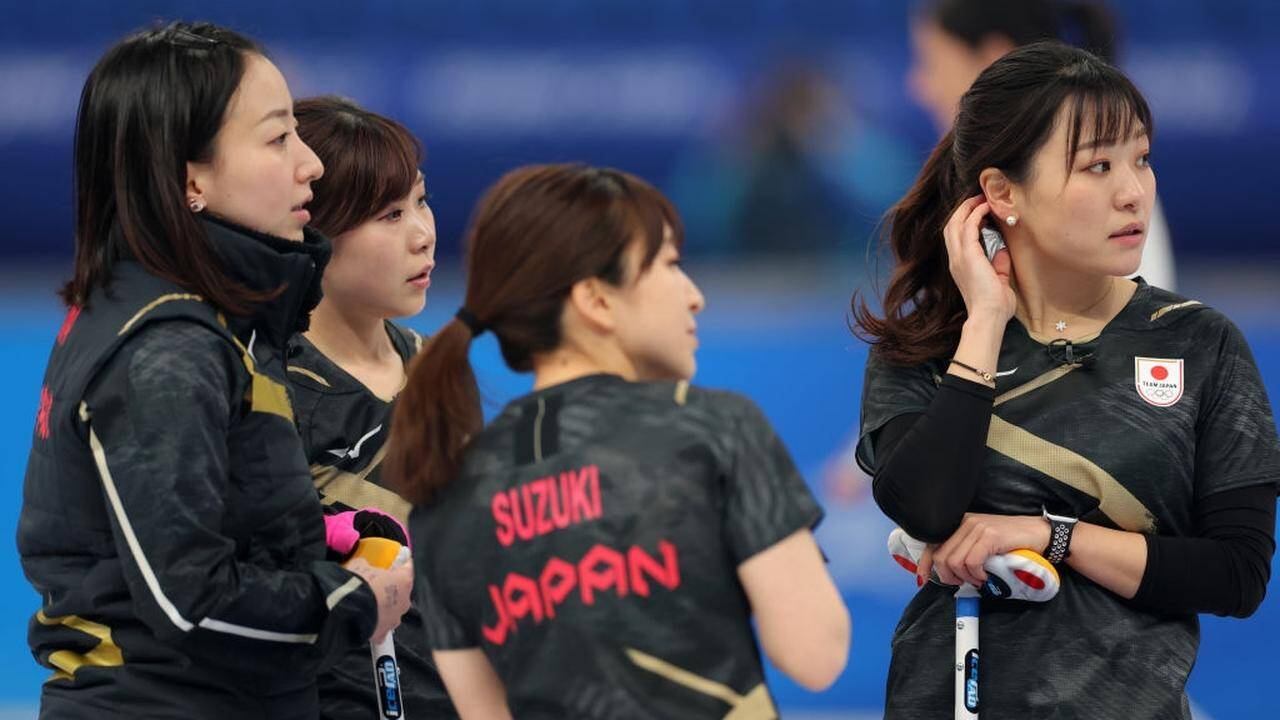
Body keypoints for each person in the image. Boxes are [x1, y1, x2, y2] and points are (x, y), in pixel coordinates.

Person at [853, 42, 1278, 718]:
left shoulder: (1201, 343)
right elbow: (926, 508)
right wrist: (985, 323)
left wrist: (1049, 536)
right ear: (1002, 193)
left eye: (1142, 160)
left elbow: (1236, 574)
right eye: (1098, 166)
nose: (1133, 191)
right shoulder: (925, 346)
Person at [17, 22, 412, 719]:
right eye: (277, 138)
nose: (310, 164)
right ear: (190, 179)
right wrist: (354, 602)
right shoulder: (167, 348)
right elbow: (190, 602)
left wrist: (316, 531)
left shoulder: (202, 319)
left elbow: (202, 516)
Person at [386, 164, 851, 718]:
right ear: (596, 300)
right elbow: (815, 655)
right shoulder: (714, 427)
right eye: (669, 265)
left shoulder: (445, 497)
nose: (695, 296)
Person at [289, 95, 457, 718]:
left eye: (421, 200)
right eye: (390, 214)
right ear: (312, 228)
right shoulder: (267, 388)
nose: (423, 234)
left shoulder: (436, 366)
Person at [906, 0, 1177, 290]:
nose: (920, 87)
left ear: (993, 58)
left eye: (932, 62)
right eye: (1100, 166)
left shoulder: (1112, 224)